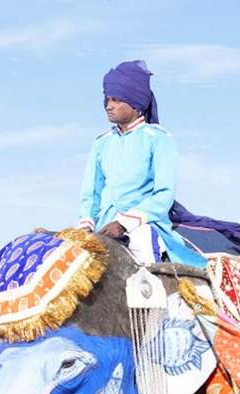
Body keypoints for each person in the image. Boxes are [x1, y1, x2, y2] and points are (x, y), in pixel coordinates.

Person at [78, 60, 206, 268]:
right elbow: (91, 193)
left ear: (135, 103)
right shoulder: (101, 143)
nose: (108, 105)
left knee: (144, 271)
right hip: (103, 226)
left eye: (116, 99)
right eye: (107, 99)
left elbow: (164, 194)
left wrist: (123, 223)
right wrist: (86, 223)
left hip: (143, 225)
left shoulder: (159, 139)